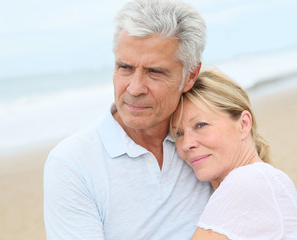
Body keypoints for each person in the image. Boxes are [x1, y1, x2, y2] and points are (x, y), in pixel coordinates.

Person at [44, 0, 213, 239]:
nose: (134, 88)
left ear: (190, 76)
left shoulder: (207, 140)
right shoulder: (72, 163)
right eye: (125, 67)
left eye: (155, 72)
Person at [171, 70, 297, 239]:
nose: (186, 144)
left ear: (244, 124)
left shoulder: (246, 180)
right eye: (179, 134)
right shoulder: (264, 179)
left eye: (201, 125)